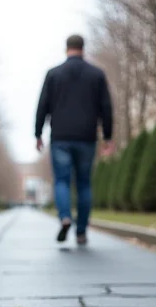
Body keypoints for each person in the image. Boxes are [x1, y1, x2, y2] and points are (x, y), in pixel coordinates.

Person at [35, 34, 114, 245]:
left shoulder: (53, 74)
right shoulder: (96, 75)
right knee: (84, 184)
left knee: (61, 180)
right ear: (83, 48)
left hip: (60, 136)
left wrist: (38, 134)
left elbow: (42, 105)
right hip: (87, 137)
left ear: (66, 48)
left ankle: (65, 217)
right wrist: (107, 136)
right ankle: (81, 232)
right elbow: (106, 107)